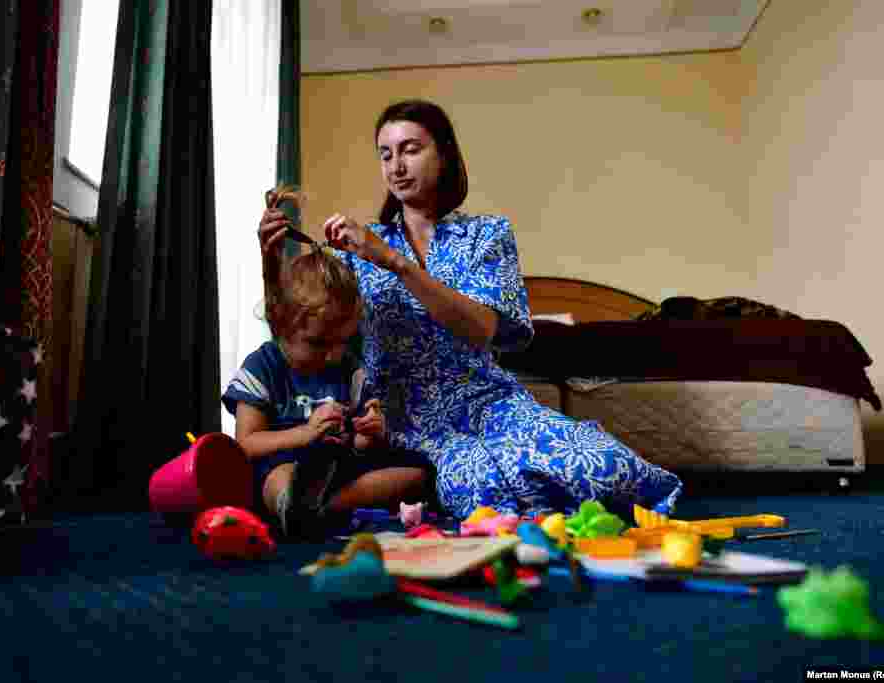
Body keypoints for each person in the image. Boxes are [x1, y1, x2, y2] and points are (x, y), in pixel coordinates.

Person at [257, 99, 683, 521]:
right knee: (480, 495)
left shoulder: (486, 235)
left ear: (443, 154)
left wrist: (394, 261)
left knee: (607, 468)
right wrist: (269, 260)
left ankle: (555, 504)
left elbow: (482, 329)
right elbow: (302, 329)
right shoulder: (355, 254)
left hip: (493, 404)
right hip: (410, 426)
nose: (396, 166)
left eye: (410, 149)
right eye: (385, 154)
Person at [222, 247, 429, 538]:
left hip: (339, 468)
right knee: (277, 477)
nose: (332, 355)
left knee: (416, 473)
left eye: (342, 342)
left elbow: (357, 440)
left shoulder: (349, 369)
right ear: (282, 326)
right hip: (285, 464)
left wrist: (368, 434)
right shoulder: (262, 366)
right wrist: (305, 433)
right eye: (318, 343)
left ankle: (321, 507)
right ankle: (293, 505)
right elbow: (245, 443)